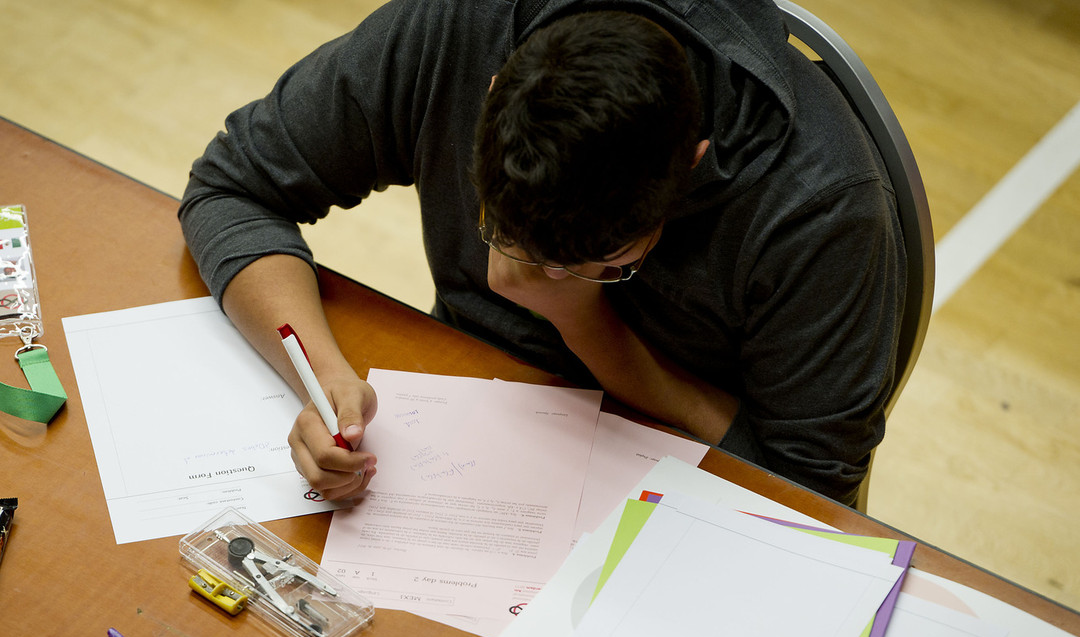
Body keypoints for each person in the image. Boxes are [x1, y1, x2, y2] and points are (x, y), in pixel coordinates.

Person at [179, 0, 906, 508]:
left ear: (692, 163)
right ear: (493, 92)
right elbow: (233, 187)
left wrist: (580, 316)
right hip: (463, 447)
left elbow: (808, 495)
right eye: (505, 235)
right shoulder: (460, 30)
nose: (532, 276)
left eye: (609, 262)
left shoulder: (822, 207)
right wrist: (323, 377)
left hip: (679, 494)